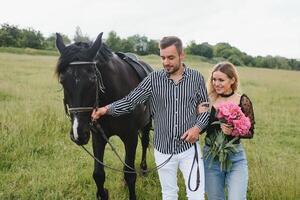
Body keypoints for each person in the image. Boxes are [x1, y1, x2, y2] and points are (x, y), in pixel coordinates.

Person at [91, 36, 209, 200]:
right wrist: (105, 109)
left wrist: (197, 128)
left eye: (171, 57)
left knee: (196, 195)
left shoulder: (197, 78)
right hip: (162, 149)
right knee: (169, 194)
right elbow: (130, 101)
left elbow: (204, 107)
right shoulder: (153, 79)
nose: (166, 62)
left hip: (189, 149)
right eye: (163, 57)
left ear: (182, 55)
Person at [198, 62, 255, 200]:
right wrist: (199, 115)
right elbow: (201, 130)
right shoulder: (208, 100)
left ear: (232, 80)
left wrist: (233, 131)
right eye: (214, 79)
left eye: (221, 80)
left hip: (236, 158)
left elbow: (250, 131)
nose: (216, 83)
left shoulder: (243, 100)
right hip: (211, 158)